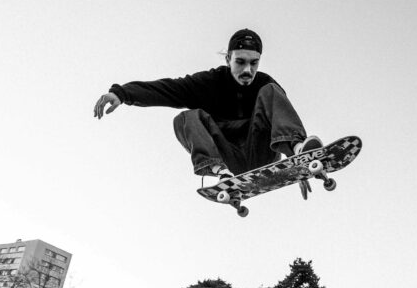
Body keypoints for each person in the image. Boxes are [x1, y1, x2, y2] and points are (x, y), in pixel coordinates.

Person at [93, 28, 322, 181]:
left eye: (254, 63)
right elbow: (168, 89)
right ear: (227, 59)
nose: (247, 71)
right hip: (227, 156)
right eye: (240, 62)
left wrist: (298, 167)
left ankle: (298, 150)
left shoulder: (265, 83)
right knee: (185, 117)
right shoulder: (209, 82)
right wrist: (122, 94)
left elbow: (281, 116)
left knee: (272, 91)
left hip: (262, 151)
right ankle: (218, 172)